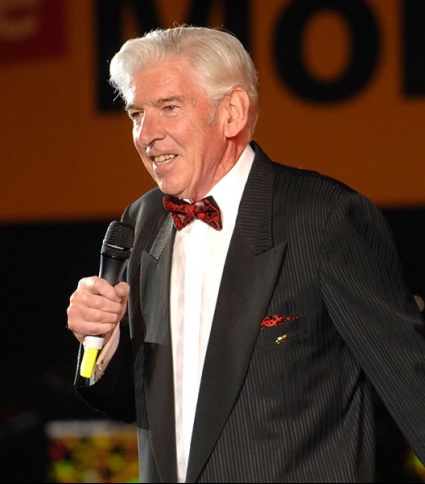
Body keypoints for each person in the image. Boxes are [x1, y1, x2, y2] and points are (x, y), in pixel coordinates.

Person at [66, 25, 425, 483]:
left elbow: (410, 382)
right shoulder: (144, 220)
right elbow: (139, 405)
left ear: (232, 112)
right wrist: (103, 340)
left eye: (169, 107)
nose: (146, 134)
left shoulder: (323, 217)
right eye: (137, 113)